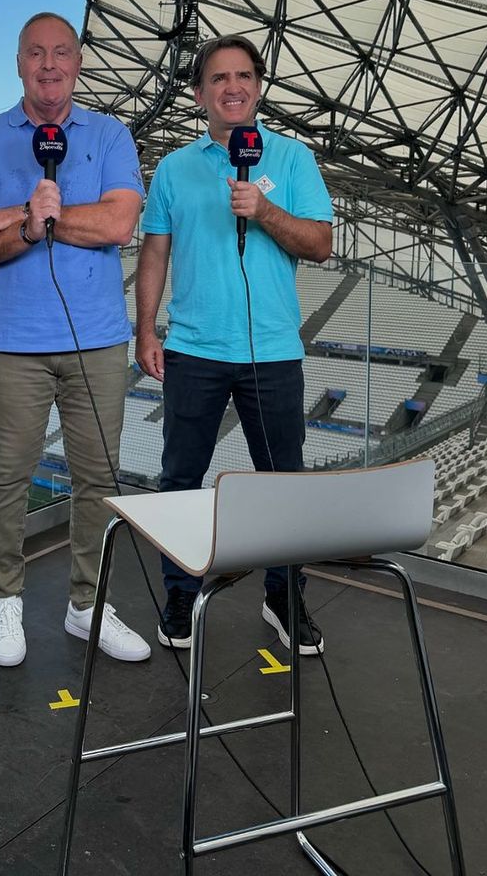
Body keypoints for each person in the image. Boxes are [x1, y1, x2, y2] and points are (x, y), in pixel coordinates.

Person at [0, 12, 151, 667]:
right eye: (36, 53)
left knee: (99, 480)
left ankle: (86, 606)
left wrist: (18, 215)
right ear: (19, 63)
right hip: (13, 343)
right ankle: (4, 603)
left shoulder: (111, 135)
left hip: (97, 341)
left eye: (61, 52)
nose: (49, 64)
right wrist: (32, 228)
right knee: (7, 477)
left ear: (78, 61)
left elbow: (119, 224)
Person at [135, 35, 333, 656]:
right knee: (180, 480)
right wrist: (146, 328)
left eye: (244, 75)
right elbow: (155, 252)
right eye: (219, 78)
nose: (233, 87)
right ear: (199, 95)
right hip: (194, 348)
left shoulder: (294, 160)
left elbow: (320, 243)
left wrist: (264, 210)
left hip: (273, 351)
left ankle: (282, 597)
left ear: (258, 85)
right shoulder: (173, 168)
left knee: (283, 484)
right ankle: (179, 594)